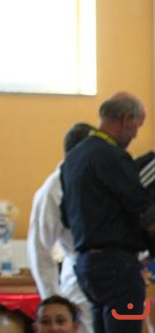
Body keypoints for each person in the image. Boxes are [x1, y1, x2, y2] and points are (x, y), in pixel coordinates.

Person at [61, 92, 155, 333]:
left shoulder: (73, 158)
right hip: (117, 266)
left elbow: (66, 216)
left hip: (86, 267)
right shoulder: (111, 156)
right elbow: (142, 209)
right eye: (137, 126)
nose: (135, 135)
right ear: (126, 119)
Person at [27, 122, 95, 333]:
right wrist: (54, 303)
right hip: (79, 279)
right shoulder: (53, 189)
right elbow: (39, 251)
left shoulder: (103, 180)